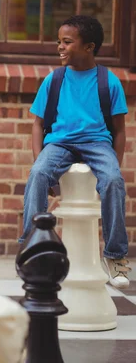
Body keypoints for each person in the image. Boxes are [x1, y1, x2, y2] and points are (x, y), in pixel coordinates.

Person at [21, 15, 131, 288]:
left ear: (89, 47)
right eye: (59, 41)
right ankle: (30, 247)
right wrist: (42, 165)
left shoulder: (109, 81)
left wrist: (112, 168)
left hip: (97, 144)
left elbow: (119, 131)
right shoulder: (54, 80)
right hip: (59, 144)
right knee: (36, 175)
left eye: (67, 42)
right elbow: (37, 125)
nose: (60, 46)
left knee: (115, 181)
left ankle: (115, 256)